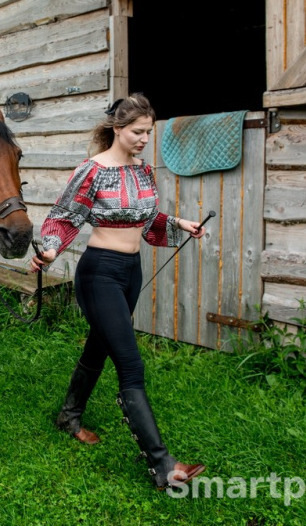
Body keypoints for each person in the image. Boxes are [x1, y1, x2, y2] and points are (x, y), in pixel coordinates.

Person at [29, 93, 206, 490]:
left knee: (99, 346)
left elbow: (147, 219)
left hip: (131, 271)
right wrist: (52, 248)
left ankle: (68, 417)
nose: (144, 139)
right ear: (117, 129)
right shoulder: (91, 170)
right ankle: (164, 466)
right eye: (137, 132)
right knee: (130, 365)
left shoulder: (143, 171)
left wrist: (181, 222)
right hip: (100, 274)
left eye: (148, 132)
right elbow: (65, 215)